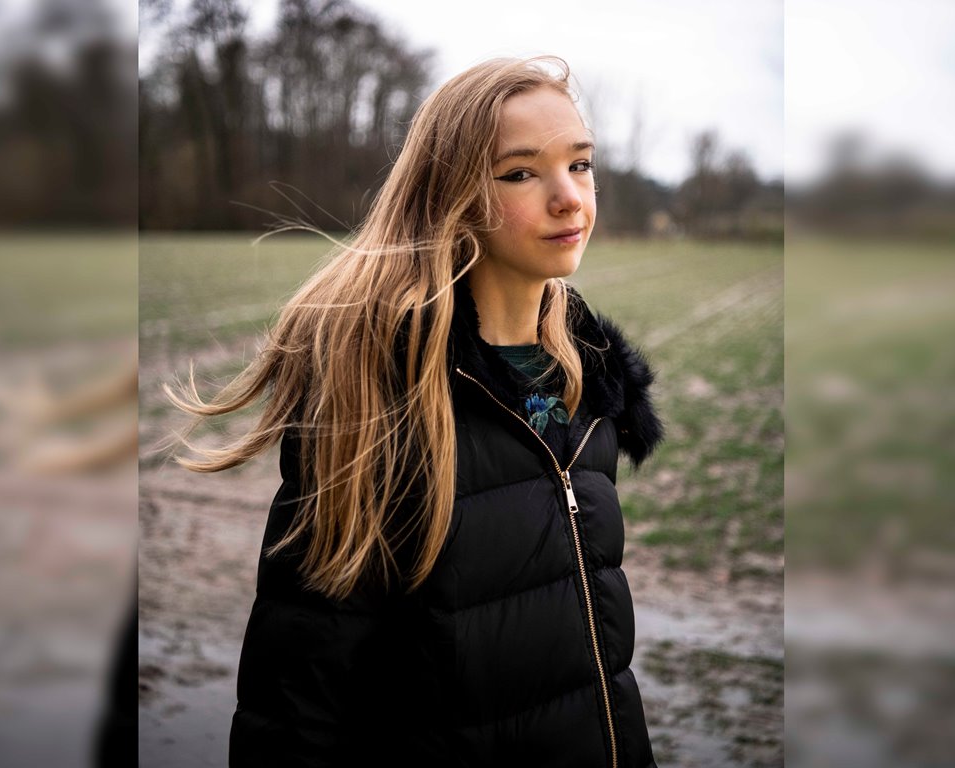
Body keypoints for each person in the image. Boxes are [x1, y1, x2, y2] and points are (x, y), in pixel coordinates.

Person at [169, 56, 663, 768]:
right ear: (454, 197)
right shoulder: (383, 405)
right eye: (521, 173)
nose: (569, 198)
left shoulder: (588, 393)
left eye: (580, 165)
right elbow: (297, 706)